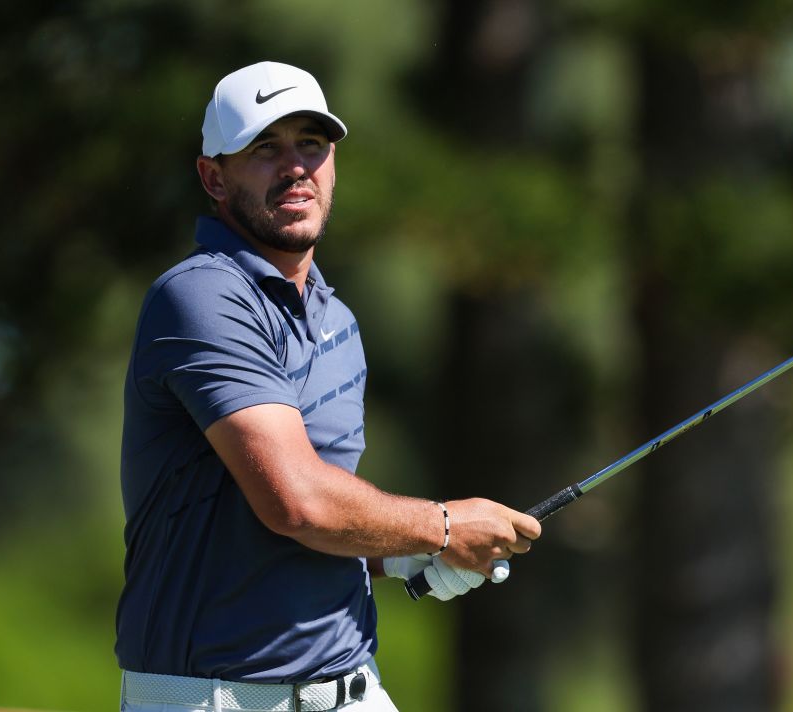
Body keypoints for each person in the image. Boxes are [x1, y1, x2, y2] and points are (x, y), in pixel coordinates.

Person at [115, 61, 542, 712]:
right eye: (265, 149)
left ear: (334, 162)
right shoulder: (200, 296)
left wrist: (399, 557)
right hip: (212, 698)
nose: (295, 167)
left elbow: (308, 523)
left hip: (350, 688)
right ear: (213, 177)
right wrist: (443, 527)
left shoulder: (334, 318)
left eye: (311, 145)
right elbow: (297, 503)